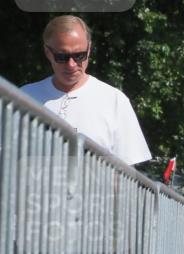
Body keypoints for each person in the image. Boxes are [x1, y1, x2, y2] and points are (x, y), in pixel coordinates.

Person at [20, 15, 151, 166]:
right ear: (47, 52)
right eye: (62, 56)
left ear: (89, 49)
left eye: (79, 56)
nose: (71, 64)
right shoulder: (24, 97)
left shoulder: (115, 100)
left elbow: (128, 173)